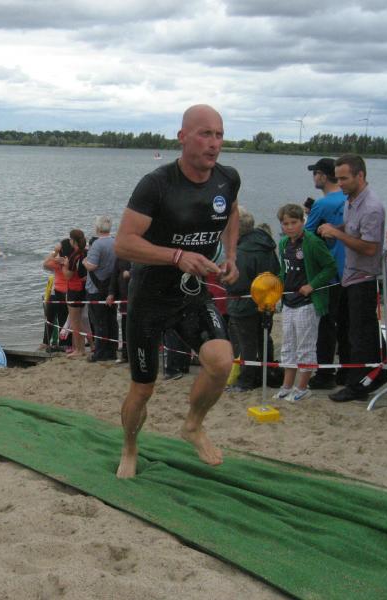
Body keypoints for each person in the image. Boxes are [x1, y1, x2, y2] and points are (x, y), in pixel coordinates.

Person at [114, 104, 240, 477]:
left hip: (191, 293)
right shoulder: (157, 184)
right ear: (182, 137)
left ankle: (192, 425)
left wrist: (231, 255)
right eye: (205, 134)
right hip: (149, 298)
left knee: (221, 361)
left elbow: (232, 212)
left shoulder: (227, 179)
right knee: (143, 389)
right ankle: (130, 446)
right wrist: (176, 256)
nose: (214, 143)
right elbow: (124, 243)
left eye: (219, 135)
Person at [318, 154, 387, 402]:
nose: (340, 183)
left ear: (360, 175)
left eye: (344, 178)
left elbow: (370, 247)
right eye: (337, 178)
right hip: (349, 275)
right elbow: (351, 229)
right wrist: (336, 229)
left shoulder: (372, 207)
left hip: (365, 278)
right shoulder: (351, 200)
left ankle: (359, 385)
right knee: (348, 328)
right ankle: (370, 374)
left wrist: (337, 234)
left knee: (360, 334)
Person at [274, 204, 338, 402]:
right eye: (285, 224)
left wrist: (312, 285)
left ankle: (302, 387)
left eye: (294, 222)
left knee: (305, 345)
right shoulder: (283, 243)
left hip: (308, 302)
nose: (290, 227)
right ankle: (287, 385)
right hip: (289, 301)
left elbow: (330, 267)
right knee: (288, 345)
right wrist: (276, 287)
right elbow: (284, 271)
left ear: (302, 222)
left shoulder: (313, 242)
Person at [224, 207, 280, 391]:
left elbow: (236, 284)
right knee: (264, 338)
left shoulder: (242, 252)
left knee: (245, 343)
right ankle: (266, 374)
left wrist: (223, 278)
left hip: (245, 304)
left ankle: (245, 381)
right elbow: (276, 270)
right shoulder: (266, 245)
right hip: (266, 300)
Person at [305, 158, 346, 389]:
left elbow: (305, 236)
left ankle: (325, 373)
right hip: (349, 269)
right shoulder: (348, 199)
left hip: (329, 273)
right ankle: (348, 370)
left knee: (326, 324)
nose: (314, 177)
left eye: (315, 173)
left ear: (322, 175)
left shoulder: (322, 204)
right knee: (347, 323)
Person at [84, 216, 118, 362]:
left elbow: (92, 266)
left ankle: (100, 352)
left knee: (99, 322)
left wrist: (84, 262)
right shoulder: (115, 241)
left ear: (97, 228)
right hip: (111, 286)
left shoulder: (97, 244)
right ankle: (112, 350)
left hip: (96, 288)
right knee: (111, 320)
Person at [42, 239, 72, 351]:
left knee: (62, 318)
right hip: (59, 291)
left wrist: (54, 253)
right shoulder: (61, 261)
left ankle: (63, 343)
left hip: (66, 292)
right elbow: (45, 265)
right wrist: (56, 255)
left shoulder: (66, 261)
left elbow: (45, 264)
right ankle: (47, 342)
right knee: (52, 316)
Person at [62, 229, 88, 358]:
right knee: (80, 320)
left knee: (75, 321)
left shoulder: (74, 256)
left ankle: (79, 349)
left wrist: (64, 265)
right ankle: (81, 348)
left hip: (74, 289)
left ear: (73, 241)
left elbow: (68, 275)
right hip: (84, 289)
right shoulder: (86, 252)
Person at [108, 257, 131, 363]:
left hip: (139, 298)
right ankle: (126, 355)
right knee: (125, 326)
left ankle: (136, 355)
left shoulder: (141, 254)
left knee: (138, 328)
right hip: (124, 296)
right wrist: (111, 293)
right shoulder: (121, 256)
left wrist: (131, 273)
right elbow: (115, 275)